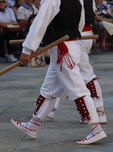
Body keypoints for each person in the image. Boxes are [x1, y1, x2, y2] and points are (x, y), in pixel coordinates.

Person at [11, 0, 107, 144]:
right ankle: (33, 124)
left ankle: (96, 128)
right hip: (67, 47)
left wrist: (27, 50)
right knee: (48, 89)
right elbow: (80, 24)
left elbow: (40, 23)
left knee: (78, 90)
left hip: (63, 51)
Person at [47, 0, 107, 124]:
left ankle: (99, 111)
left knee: (85, 74)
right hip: (80, 35)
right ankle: (52, 109)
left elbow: (84, 16)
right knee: (66, 73)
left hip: (77, 36)